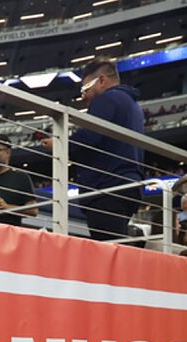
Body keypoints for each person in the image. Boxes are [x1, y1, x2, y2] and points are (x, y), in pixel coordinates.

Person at [61, 58, 146, 242]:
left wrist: (60, 144)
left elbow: (89, 137)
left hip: (108, 187)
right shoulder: (132, 105)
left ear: (101, 80)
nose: (84, 97)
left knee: (108, 253)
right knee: (116, 247)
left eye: (85, 89)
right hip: (127, 184)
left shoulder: (107, 98)